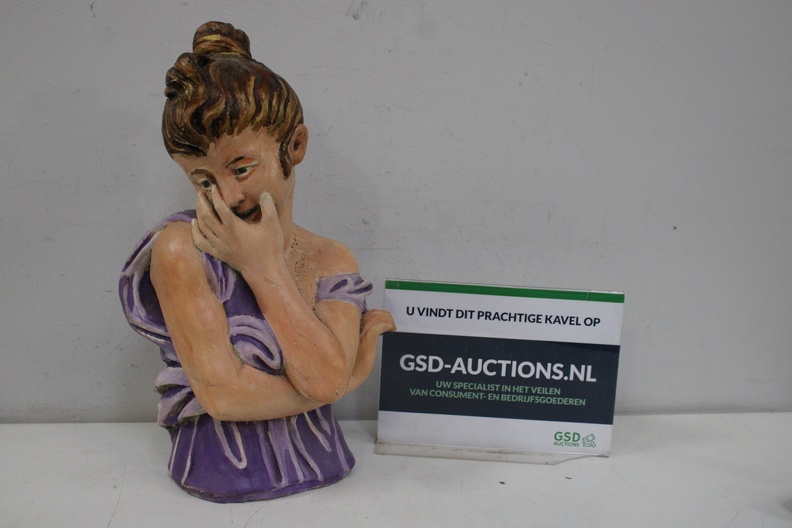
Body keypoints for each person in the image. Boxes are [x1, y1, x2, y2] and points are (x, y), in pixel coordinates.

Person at [119, 21, 394, 503]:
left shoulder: (332, 258)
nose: (227, 196)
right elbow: (224, 397)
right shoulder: (181, 250)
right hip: (222, 467)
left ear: (295, 146)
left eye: (241, 168)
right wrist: (345, 380)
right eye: (204, 181)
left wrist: (264, 268)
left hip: (324, 458)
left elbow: (322, 378)